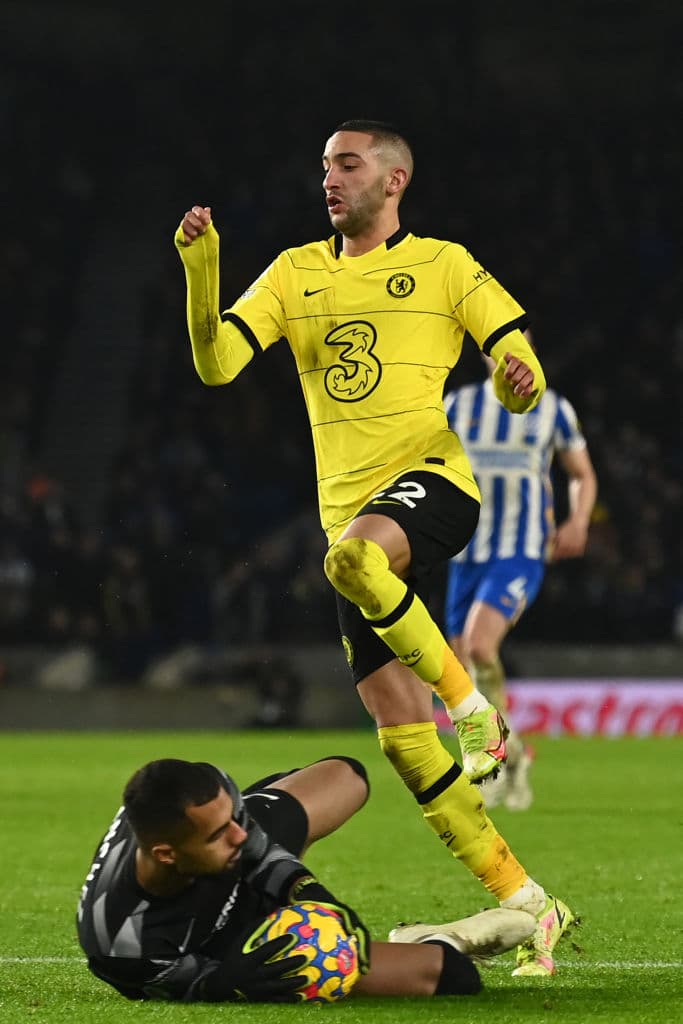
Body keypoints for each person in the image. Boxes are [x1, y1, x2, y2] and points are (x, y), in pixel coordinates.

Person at [174, 118, 575, 975]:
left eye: (346, 164)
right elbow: (215, 363)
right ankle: (523, 900)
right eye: (323, 165)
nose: (329, 178)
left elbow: (517, 360)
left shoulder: (444, 264)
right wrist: (199, 269)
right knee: (398, 732)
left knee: (354, 561)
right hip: (350, 522)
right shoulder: (293, 272)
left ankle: (475, 711)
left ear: (393, 181)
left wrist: (518, 380)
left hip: (432, 484)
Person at [76, 754, 538, 1001]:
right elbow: (200, 986)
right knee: (455, 978)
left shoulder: (225, 829)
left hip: (229, 870)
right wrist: (240, 982)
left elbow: (254, 850)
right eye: (222, 828)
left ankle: (251, 811)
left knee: (348, 777)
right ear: (165, 854)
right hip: (230, 945)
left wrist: (317, 898)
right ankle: (434, 940)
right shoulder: (122, 940)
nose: (240, 832)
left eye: (234, 814)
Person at [444, 348, 598, 809]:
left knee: (479, 646)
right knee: (460, 673)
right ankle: (508, 758)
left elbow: (582, 475)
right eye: (498, 349)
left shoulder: (553, 407)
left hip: (521, 550)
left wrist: (579, 520)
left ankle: (489, 760)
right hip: (465, 552)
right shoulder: (458, 404)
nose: (510, 359)